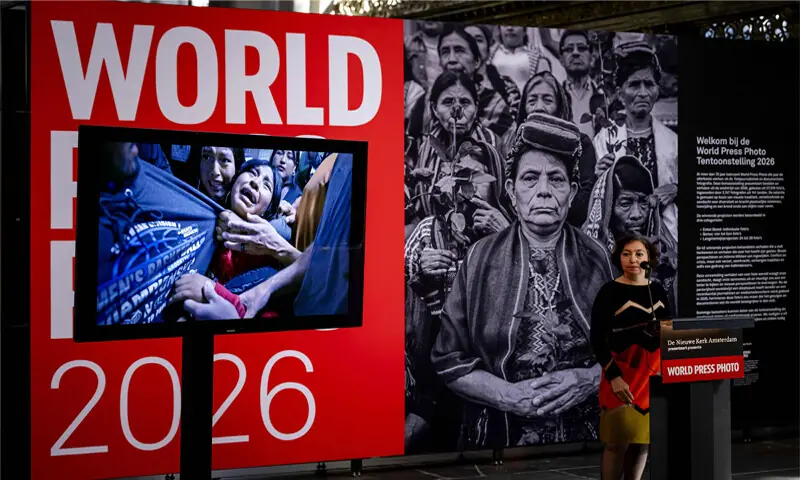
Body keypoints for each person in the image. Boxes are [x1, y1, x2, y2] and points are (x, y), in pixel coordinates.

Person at [430, 113, 614, 448]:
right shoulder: (479, 259)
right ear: (512, 192)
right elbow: (449, 359)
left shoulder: (597, 256)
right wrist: (507, 396)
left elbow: (636, 352)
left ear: (572, 194)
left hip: (590, 443)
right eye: (530, 178)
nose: (543, 191)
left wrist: (589, 379)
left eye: (556, 180)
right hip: (502, 442)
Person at [404, 140, 510, 451]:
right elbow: (399, 272)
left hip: (491, 357)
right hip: (433, 355)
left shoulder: (509, 229)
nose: (468, 189)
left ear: (496, 186)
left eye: (477, 180)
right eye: (459, 179)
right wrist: (420, 267)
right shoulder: (431, 228)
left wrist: (503, 232)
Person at [184, 154, 355, 320]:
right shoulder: (202, 220)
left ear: (269, 209)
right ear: (235, 180)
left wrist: (213, 292)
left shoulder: (268, 265)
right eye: (252, 173)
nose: (255, 182)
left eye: (267, 185)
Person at [589, 234, 671, 480]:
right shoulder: (609, 291)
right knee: (617, 442)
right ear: (619, 258)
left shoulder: (656, 290)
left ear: (649, 259)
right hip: (621, 375)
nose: (632, 259)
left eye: (639, 254)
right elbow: (596, 338)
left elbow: (669, 331)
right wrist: (613, 375)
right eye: (626, 254)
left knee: (642, 441)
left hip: (652, 378)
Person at [593, 41, 678, 245]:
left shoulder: (674, 141)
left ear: (657, 90)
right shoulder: (605, 138)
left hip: (665, 238)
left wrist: (676, 188)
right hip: (619, 238)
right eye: (633, 84)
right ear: (620, 93)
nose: (642, 93)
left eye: (649, 84)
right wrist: (600, 178)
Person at [582, 155, 677, 311]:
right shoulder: (586, 253)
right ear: (608, 208)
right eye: (626, 204)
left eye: (643, 202)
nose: (637, 214)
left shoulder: (663, 250)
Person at [516, 71, 598, 227]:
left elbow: (585, 197)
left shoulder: (580, 144)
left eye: (548, 100)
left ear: (560, 107)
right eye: (532, 100)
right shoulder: (515, 145)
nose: (539, 107)